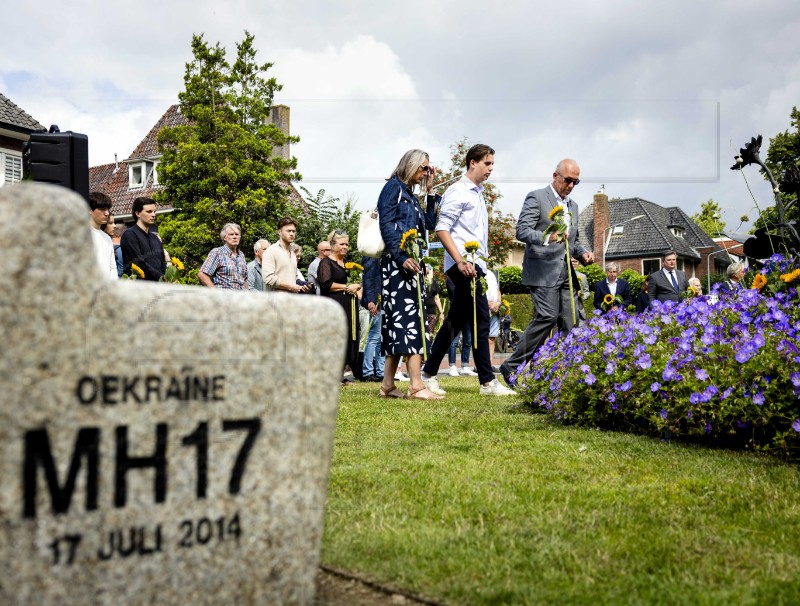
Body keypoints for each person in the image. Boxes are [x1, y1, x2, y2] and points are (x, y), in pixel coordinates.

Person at [421, 144, 515, 397]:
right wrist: (461, 261)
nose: (491, 169)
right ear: (472, 162)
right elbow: (442, 229)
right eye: (487, 164)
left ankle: (427, 373)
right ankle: (487, 382)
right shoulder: (458, 191)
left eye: (492, 165)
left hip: (476, 266)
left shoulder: (478, 193)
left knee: (455, 322)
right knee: (481, 320)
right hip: (463, 267)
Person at [499, 158, 594, 387]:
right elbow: (522, 230)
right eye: (568, 180)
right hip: (542, 271)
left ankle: (569, 375)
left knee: (572, 323)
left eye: (576, 182)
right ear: (555, 176)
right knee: (547, 317)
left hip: (566, 274)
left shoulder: (573, 206)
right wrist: (547, 237)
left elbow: (574, 241)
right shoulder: (537, 197)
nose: (571, 185)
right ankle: (511, 366)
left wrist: (583, 254)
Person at [377, 149, 443, 400]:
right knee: (411, 323)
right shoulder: (393, 189)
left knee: (399, 324)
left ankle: (387, 385)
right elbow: (386, 224)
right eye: (424, 168)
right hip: (398, 265)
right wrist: (401, 257)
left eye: (428, 168)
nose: (426, 172)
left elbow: (428, 224)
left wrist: (430, 191)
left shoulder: (411, 196)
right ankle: (416, 385)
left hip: (410, 265)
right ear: (411, 165)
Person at [318, 229, 361, 383]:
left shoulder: (348, 264)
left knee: (348, 337)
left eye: (347, 244)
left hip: (349, 305)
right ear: (333, 245)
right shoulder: (326, 262)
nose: (345, 247)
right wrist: (346, 287)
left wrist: (357, 287)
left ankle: (341, 374)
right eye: (342, 244)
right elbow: (326, 284)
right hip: (334, 305)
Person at [262, 217, 313, 293]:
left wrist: (302, 287)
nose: (292, 234)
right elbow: (268, 278)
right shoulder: (271, 251)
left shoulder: (293, 253)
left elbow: (293, 278)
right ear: (279, 232)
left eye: (293, 231)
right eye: (288, 231)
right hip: (275, 301)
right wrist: (291, 287)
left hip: (291, 301)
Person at [121, 197, 166, 280]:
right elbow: (138, 262)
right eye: (149, 211)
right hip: (140, 288)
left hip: (158, 288)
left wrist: (164, 278)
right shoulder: (129, 235)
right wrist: (161, 277)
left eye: (154, 212)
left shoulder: (155, 238)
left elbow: (162, 262)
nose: (153, 215)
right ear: (138, 213)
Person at [198, 223, 248, 289]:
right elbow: (202, 274)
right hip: (223, 297)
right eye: (231, 234)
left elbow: (245, 279)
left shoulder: (241, 255)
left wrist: (247, 295)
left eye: (237, 234)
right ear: (224, 237)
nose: (234, 236)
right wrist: (215, 292)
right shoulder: (217, 252)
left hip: (240, 298)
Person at [444, 275, 475, 377]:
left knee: (468, 340)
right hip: (456, 312)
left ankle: (465, 366)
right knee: (454, 341)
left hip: (467, 312)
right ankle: (452, 366)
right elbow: (454, 294)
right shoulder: (451, 277)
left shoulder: (468, 277)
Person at [361, 256, 385, 382]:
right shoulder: (371, 257)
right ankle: (368, 371)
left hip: (382, 300)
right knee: (374, 336)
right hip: (376, 301)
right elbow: (368, 279)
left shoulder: (378, 257)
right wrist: (371, 301)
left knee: (381, 338)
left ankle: (381, 372)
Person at [88, 192, 118, 280]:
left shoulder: (107, 238)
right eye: (102, 209)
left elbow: (112, 267)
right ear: (90, 210)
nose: (107, 213)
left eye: (108, 209)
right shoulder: (81, 234)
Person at [423, 265, 444, 351]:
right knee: (422, 334)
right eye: (424, 266)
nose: (426, 268)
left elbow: (437, 298)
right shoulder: (419, 281)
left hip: (431, 312)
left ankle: (427, 355)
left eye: (427, 266)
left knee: (430, 334)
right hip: (421, 311)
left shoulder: (433, 282)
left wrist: (441, 312)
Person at [485, 269, 502, 368]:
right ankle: (482, 364)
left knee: (491, 338)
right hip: (484, 307)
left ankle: (490, 363)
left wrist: (498, 302)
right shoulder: (478, 272)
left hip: (495, 309)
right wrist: (488, 304)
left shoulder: (491, 273)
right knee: (482, 338)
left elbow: (497, 289)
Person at [572, 258, 591, 326]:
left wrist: (582, 295)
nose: (574, 263)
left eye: (575, 261)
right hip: (567, 311)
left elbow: (587, 292)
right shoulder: (563, 276)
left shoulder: (582, 276)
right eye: (572, 261)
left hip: (579, 310)